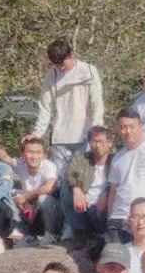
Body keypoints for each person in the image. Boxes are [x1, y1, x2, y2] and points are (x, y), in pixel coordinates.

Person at [32, 36, 104, 186]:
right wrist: (37, 134)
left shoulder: (88, 71)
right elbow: (45, 107)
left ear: (71, 55)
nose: (61, 68)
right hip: (60, 139)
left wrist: (97, 128)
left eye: (63, 64)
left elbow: (97, 103)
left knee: (81, 183)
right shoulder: (52, 75)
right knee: (59, 183)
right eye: (57, 65)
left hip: (83, 137)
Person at [103, 109, 145, 241]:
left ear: (140, 126)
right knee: (112, 254)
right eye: (123, 127)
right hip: (118, 219)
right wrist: (110, 217)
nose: (128, 131)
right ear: (118, 129)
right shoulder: (117, 157)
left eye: (132, 126)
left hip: (143, 219)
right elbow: (113, 191)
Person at [62, 125, 114, 244]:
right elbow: (70, 173)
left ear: (109, 143)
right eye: (94, 141)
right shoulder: (81, 158)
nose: (98, 145)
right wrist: (76, 189)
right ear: (89, 143)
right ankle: (79, 232)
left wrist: (107, 194)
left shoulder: (116, 160)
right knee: (66, 190)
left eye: (101, 141)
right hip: (84, 204)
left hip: (106, 206)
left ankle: (100, 235)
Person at [5, 135, 60, 245]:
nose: (34, 156)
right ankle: (26, 235)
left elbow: (50, 187)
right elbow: (5, 158)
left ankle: (51, 235)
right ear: (22, 154)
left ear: (44, 155)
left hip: (50, 214)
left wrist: (26, 197)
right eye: (30, 152)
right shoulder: (21, 164)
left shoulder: (49, 166)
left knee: (44, 198)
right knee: (10, 195)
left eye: (38, 152)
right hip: (32, 212)